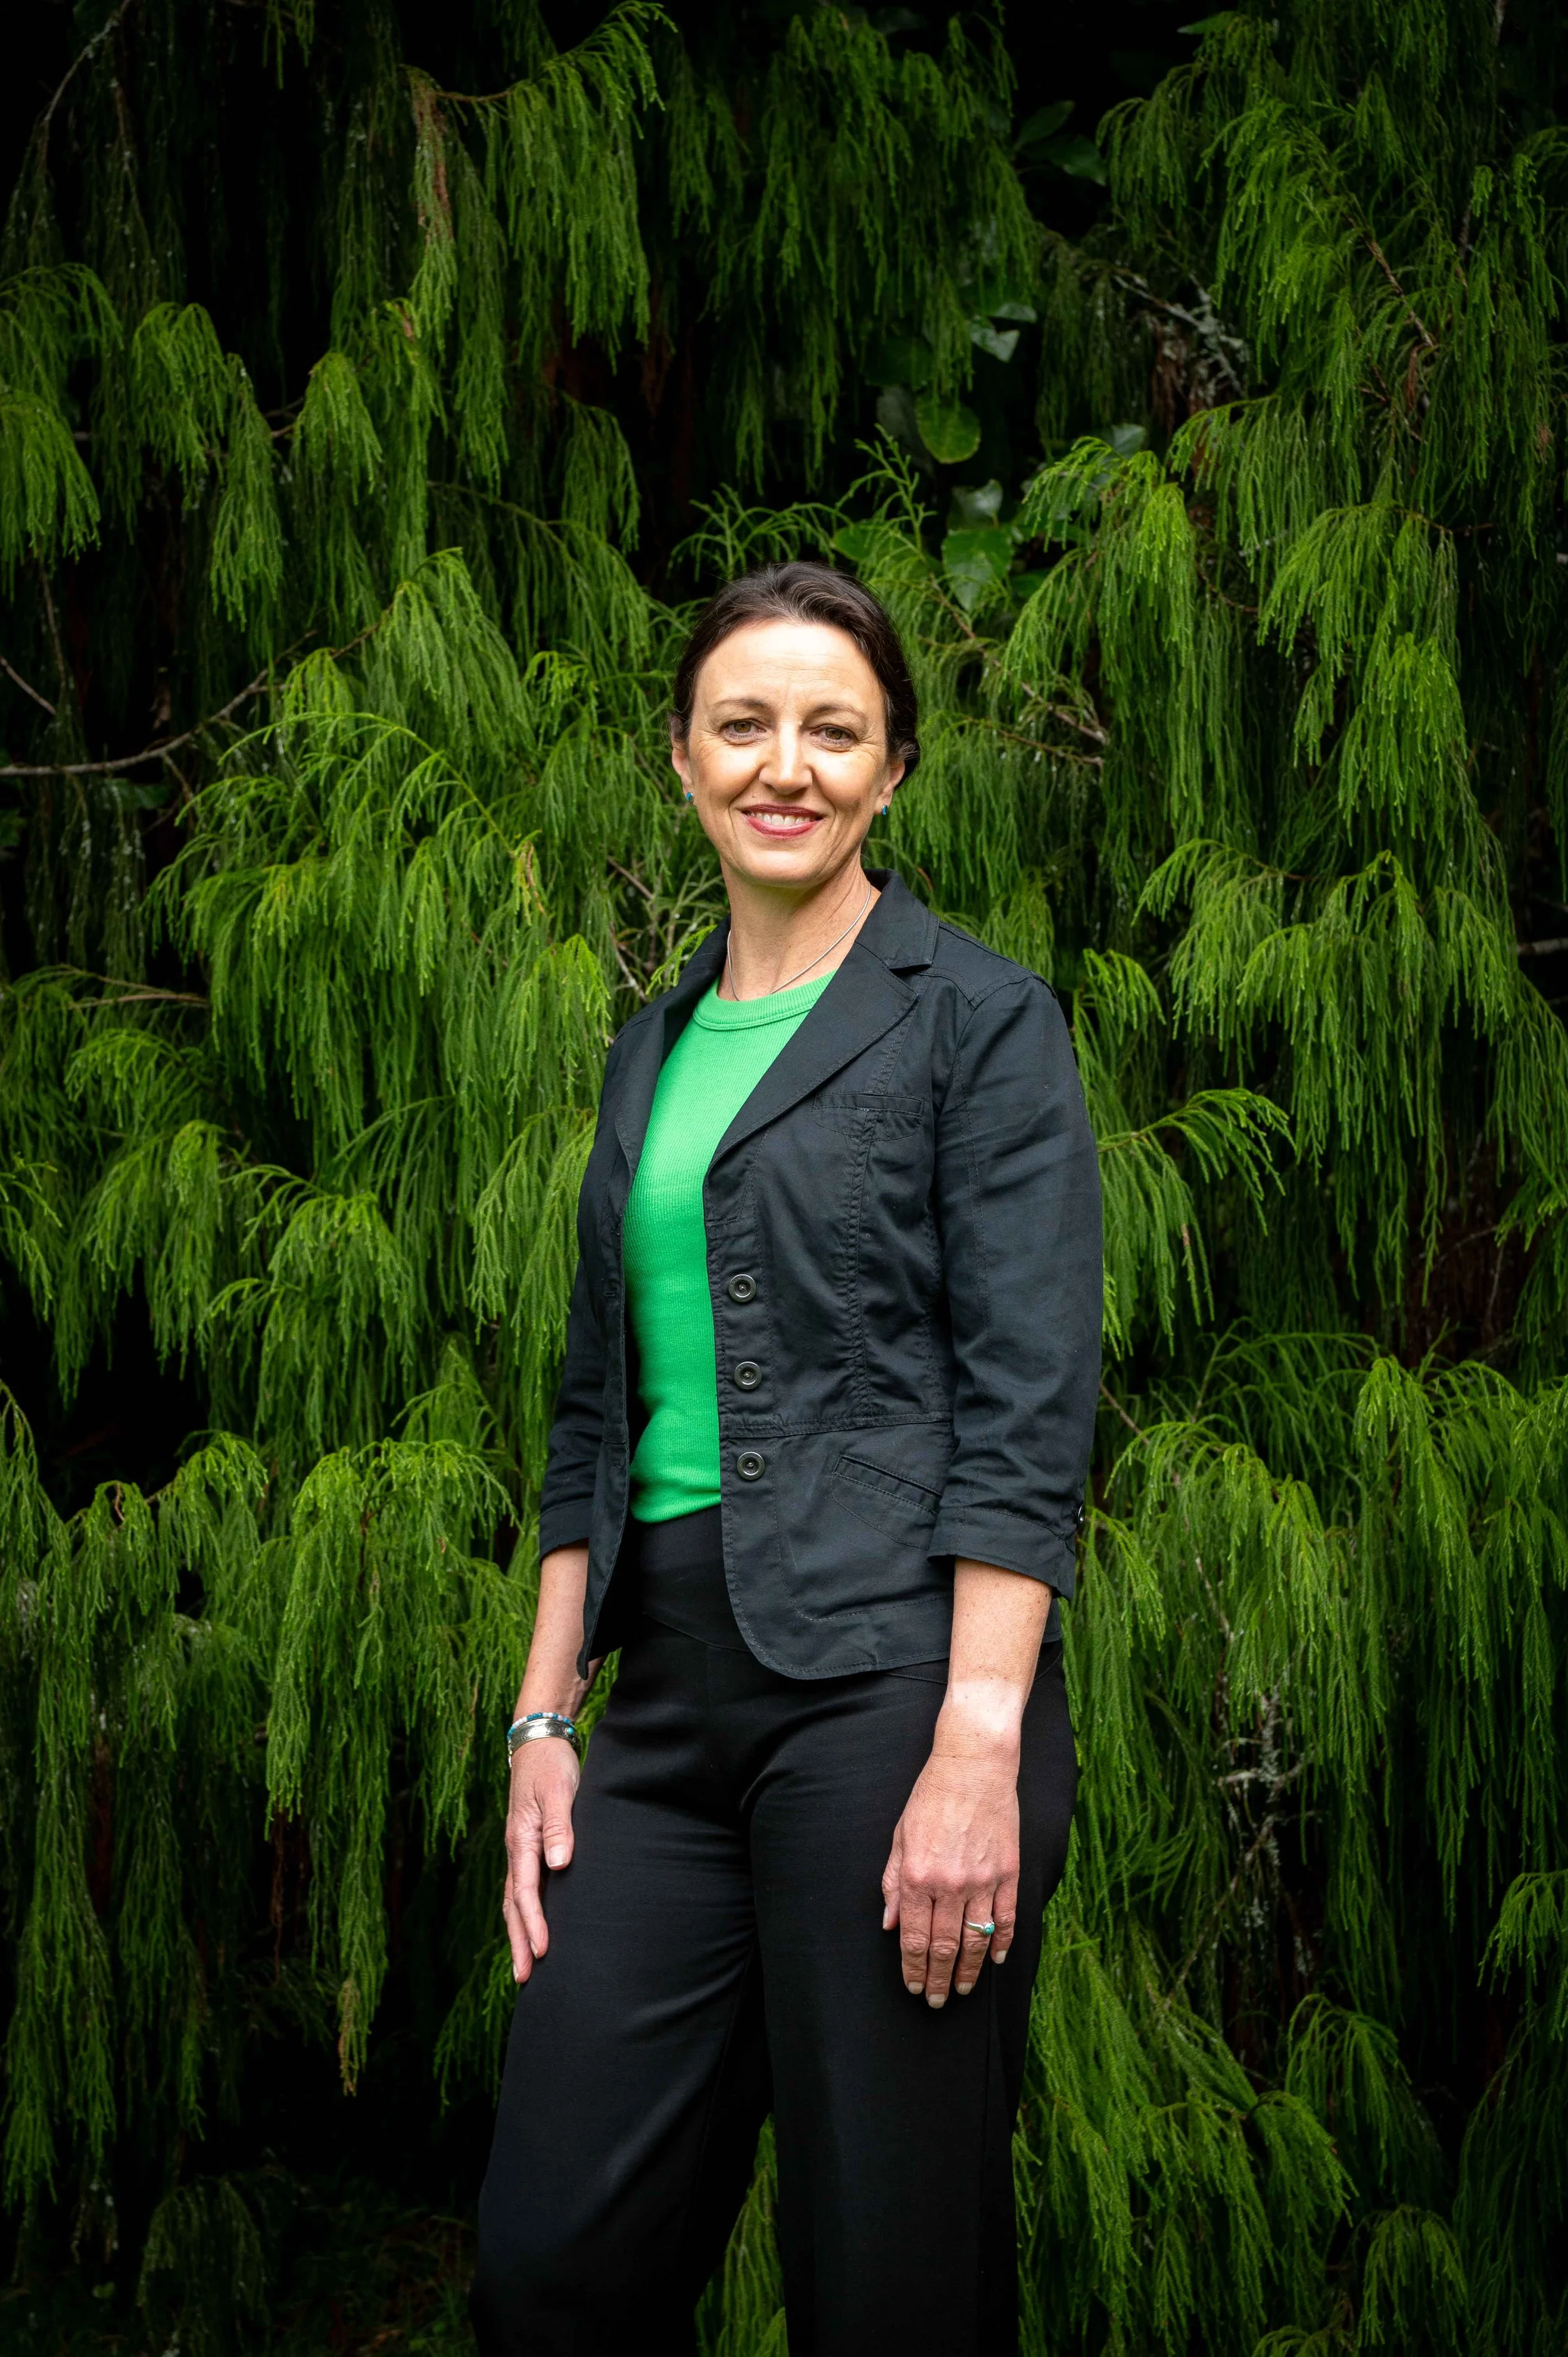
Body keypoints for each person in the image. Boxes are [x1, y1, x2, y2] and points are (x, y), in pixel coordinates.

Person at [470, 561, 1102, 2356]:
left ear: (892, 771)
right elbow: (594, 1406)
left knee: (887, 2280)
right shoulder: (648, 1049)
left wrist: (975, 1746)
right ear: (681, 757)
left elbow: (1026, 1400)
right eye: (743, 724)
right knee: (553, 2267)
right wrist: (540, 1721)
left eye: (834, 731)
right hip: (660, 1718)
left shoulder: (979, 1021)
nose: (785, 765)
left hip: (890, 1700)